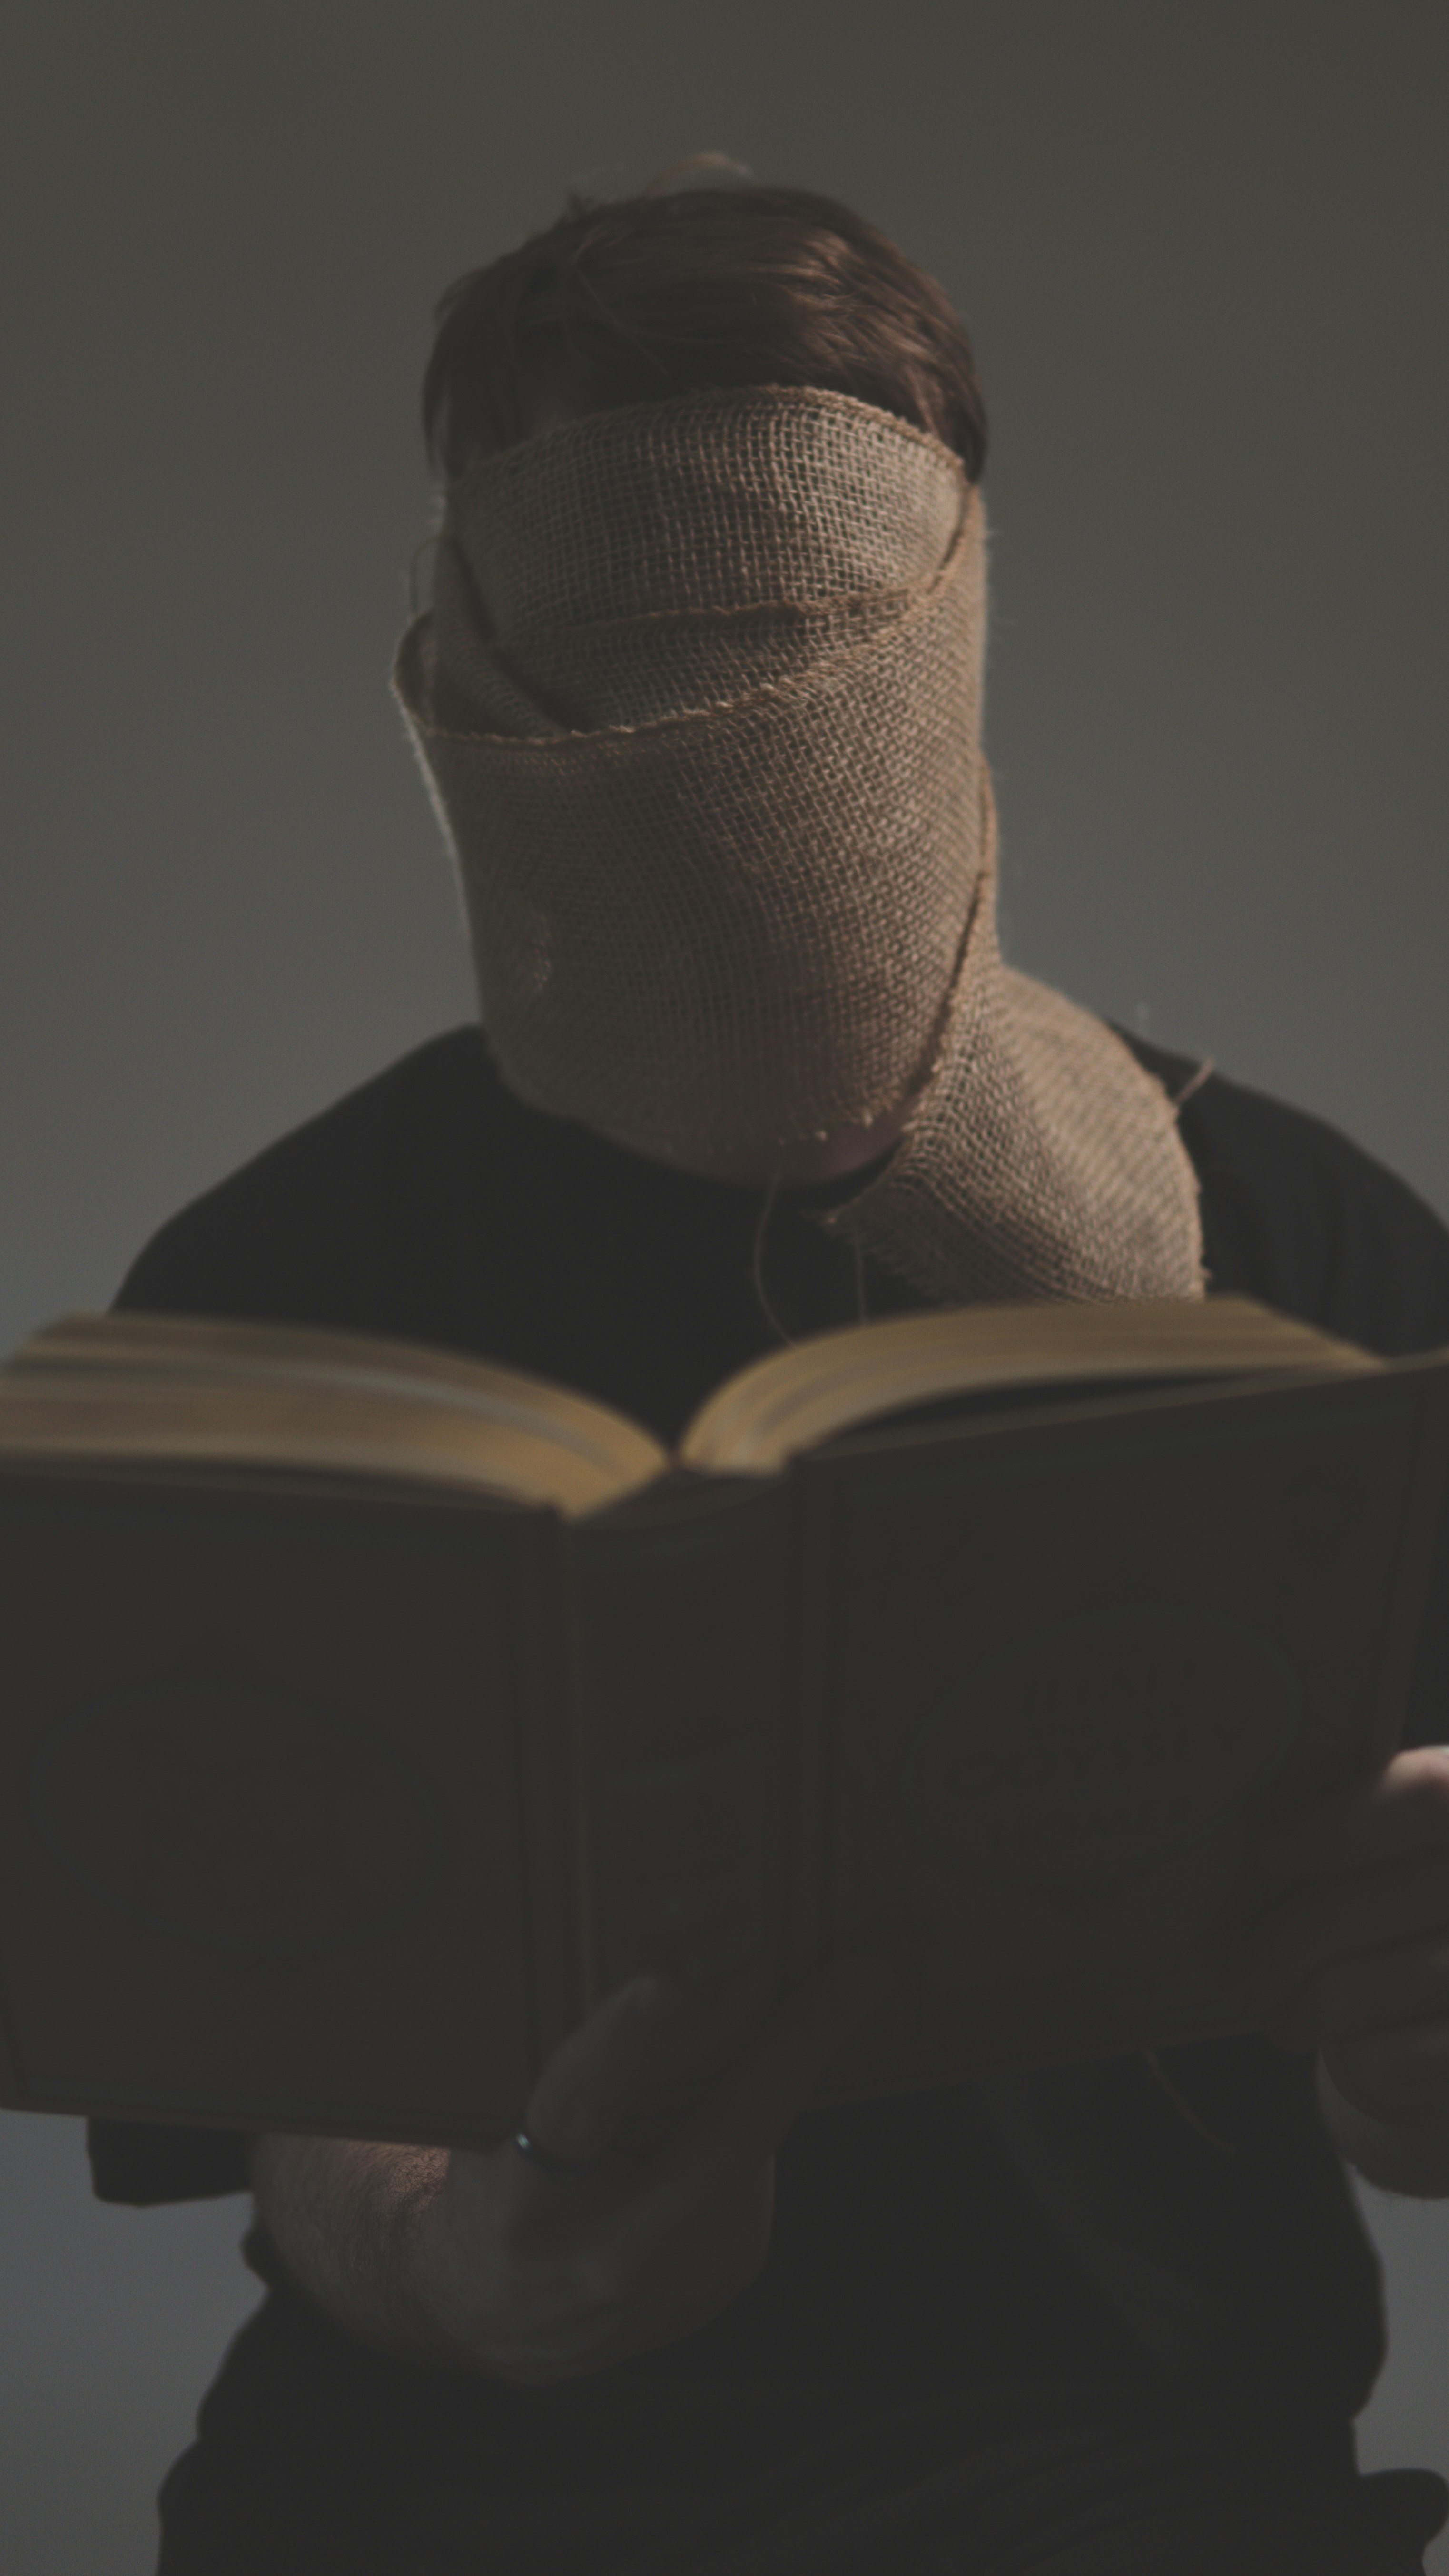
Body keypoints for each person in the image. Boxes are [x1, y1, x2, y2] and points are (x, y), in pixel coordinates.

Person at [89, 175, 1449, 2576]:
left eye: (797, 654)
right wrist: (475, 2266)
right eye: (640, 662)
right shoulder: (273, 1300)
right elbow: (288, 2092)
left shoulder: (1320, 1264)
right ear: (491, 673)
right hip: (431, 2500)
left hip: (1132, 2485)